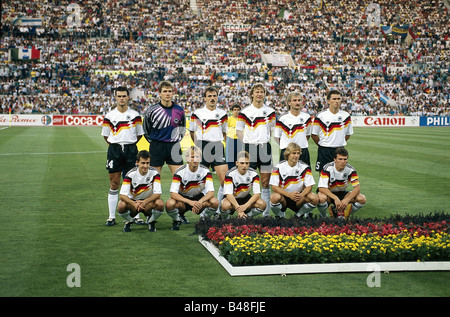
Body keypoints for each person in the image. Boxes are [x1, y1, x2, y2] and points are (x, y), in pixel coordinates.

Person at [102, 86, 144, 227]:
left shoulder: (135, 115)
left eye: (123, 96)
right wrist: (117, 145)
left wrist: (128, 145)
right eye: (119, 96)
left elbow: (139, 135)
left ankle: (136, 216)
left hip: (131, 150)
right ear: (115, 97)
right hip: (114, 150)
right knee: (114, 183)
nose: (121, 98)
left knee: (133, 183)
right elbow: (106, 136)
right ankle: (111, 216)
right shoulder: (109, 116)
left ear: (128, 98)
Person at [236, 83, 276, 217]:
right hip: (249, 148)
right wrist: (248, 143)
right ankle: (247, 211)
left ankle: (266, 214)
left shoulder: (270, 112)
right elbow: (239, 131)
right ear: (252, 94)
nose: (259, 94)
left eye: (262, 92)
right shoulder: (244, 112)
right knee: (249, 180)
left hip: (265, 147)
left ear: (265, 94)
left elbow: (272, 130)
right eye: (257, 91)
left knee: (265, 182)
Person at [189, 86, 228, 208]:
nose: (212, 98)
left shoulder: (223, 114)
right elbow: (192, 131)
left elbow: (224, 132)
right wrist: (199, 145)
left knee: (224, 181)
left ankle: (219, 210)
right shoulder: (197, 114)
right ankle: (204, 211)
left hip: (217, 146)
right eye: (209, 96)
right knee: (202, 181)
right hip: (202, 145)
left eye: (214, 96)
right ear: (205, 98)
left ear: (217, 98)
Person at [165, 146, 219, 230]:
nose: (195, 160)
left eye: (197, 157)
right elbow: (173, 193)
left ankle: (203, 218)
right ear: (187, 158)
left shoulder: (206, 171)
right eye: (192, 157)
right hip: (183, 199)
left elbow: (211, 192)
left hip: (198, 197)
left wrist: (200, 202)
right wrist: (190, 202)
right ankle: (177, 219)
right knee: (170, 204)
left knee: (215, 202)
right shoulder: (179, 172)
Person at [142, 80, 185, 175]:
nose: (167, 93)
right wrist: (153, 141)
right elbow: (146, 128)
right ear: (159, 93)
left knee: (180, 177)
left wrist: (176, 139)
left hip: (174, 145)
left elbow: (182, 128)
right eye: (165, 91)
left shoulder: (179, 110)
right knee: (154, 178)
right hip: (157, 146)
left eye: (169, 91)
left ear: (173, 93)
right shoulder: (151, 110)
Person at [117, 150, 164, 232]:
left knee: (160, 204)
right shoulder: (130, 174)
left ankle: (151, 221)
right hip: (133, 204)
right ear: (137, 162)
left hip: (147, 203)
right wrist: (134, 204)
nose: (145, 166)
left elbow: (158, 193)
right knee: (121, 205)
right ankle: (129, 221)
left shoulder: (155, 173)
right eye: (143, 163)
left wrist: (145, 202)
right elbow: (122, 195)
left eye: (147, 163)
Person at [269, 143, 318, 218]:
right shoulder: (277, 167)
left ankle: (299, 214)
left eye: (298, 153)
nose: (296, 155)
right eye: (293, 153)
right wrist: (289, 195)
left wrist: (301, 195)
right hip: (284, 197)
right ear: (288, 154)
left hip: (298, 198)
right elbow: (274, 187)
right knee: (274, 197)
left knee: (314, 198)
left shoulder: (305, 167)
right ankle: (279, 216)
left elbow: (309, 187)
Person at [317, 147, 366, 219]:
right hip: (329, 194)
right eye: (340, 159)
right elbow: (321, 188)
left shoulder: (350, 170)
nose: (343, 162)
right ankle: (324, 216)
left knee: (362, 198)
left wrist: (347, 200)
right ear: (335, 159)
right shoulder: (328, 168)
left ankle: (344, 214)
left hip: (342, 193)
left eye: (345, 159)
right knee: (321, 198)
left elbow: (357, 188)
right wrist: (335, 198)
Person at [311, 89, 353, 172]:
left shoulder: (346, 116)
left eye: (338, 99)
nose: (336, 101)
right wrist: (322, 144)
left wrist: (339, 142)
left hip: (339, 150)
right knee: (323, 176)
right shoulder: (321, 116)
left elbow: (348, 134)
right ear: (328, 101)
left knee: (339, 177)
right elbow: (314, 135)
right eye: (334, 99)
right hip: (324, 150)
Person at [219, 151, 266, 219]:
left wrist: (245, 206)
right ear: (237, 163)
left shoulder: (254, 174)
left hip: (245, 198)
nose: (244, 166)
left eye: (247, 163)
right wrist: (239, 209)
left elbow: (257, 194)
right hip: (232, 199)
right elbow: (228, 194)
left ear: (249, 164)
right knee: (225, 205)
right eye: (242, 163)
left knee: (262, 204)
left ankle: (247, 217)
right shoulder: (230, 174)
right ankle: (225, 219)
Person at [274, 91, 312, 166]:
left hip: (302, 151)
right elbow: (276, 137)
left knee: (304, 176)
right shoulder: (282, 118)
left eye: (299, 100)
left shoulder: (307, 117)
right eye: (294, 100)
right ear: (289, 103)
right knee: (285, 176)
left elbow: (308, 135)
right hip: (287, 152)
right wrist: (287, 147)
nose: (297, 102)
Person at [225, 104, 242, 169]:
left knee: (239, 156)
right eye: (234, 110)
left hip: (239, 139)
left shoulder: (242, 120)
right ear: (232, 111)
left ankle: (238, 170)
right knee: (230, 157)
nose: (236, 111)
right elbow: (225, 131)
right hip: (231, 139)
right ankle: (230, 170)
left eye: (238, 110)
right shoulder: (228, 119)